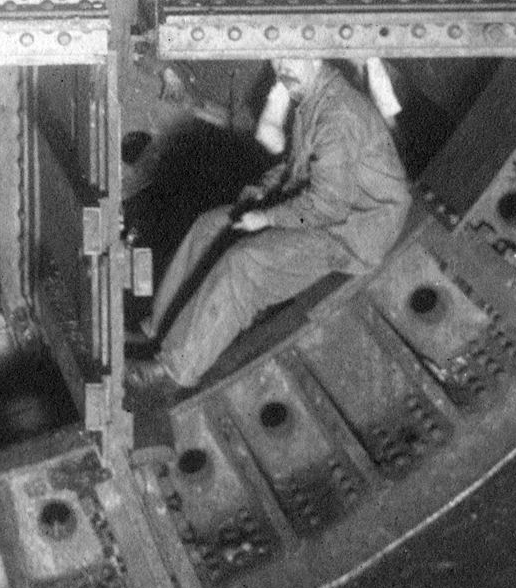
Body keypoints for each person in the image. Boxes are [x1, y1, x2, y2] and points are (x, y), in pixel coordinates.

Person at [147, 54, 410, 387]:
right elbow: (296, 167)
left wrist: (268, 217)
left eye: (293, 57)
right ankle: (158, 330)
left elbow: (329, 207)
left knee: (245, 264)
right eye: (277, 59)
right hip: (331, 212)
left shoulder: (338, 115)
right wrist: (261, 191)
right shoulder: (314, 98)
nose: (283, 67)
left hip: (354, 233)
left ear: (317, 58)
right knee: (210, 226)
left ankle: (174, 372)